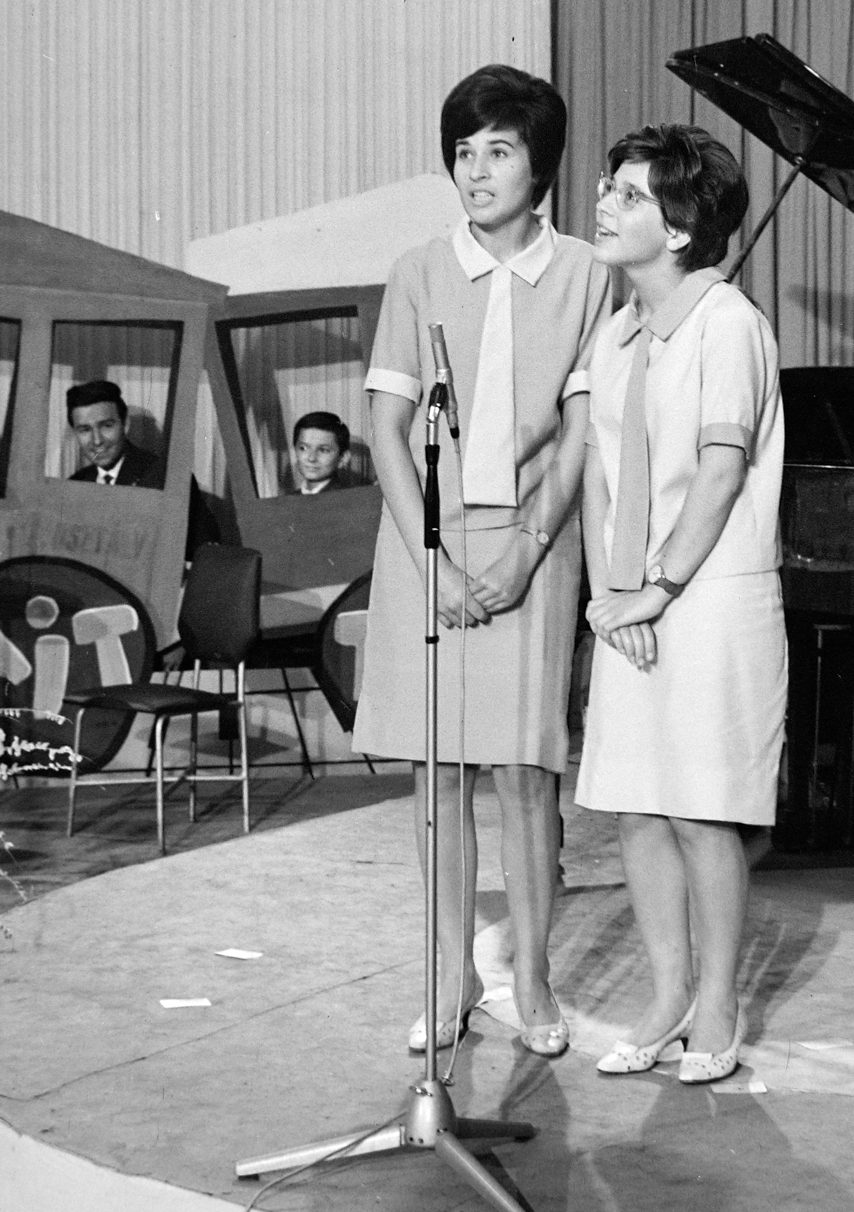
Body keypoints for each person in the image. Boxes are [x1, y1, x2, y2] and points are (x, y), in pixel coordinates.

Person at [351, 64, 612, 1058]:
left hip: (534, 547)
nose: (476, 170)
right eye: (463, 152)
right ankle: (451, 972)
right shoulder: (418, 269)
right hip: (426, 546)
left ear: (539, 165)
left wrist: (527, 553)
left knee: (525, 775)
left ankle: (532, 979)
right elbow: (385, 428)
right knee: (439, 776)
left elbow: (582, 433)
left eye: (498, 150)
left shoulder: (586, 274)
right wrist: (434, 564)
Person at [576, 124, 786, 1086]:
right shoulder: (617, 334)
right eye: (608, 188)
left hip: (707, 598)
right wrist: (610, 596)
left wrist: (656, 590)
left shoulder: (727, 323)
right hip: (633, 598)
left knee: (702, 812)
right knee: (636, 808)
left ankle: (718, 1005)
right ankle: (665, 997)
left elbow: (719, 471)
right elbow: (599, 477)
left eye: (628, 195)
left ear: (679, 228)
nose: (604, 204)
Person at [66, 380, 162, 486]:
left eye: (106, 426)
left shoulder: (159, 476)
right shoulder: (76, 482)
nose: (97, 441)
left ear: (125, 425)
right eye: (85, 430)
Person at [288, 411, 357, 494]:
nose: (311, 458)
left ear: (343, 458)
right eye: (303, 448)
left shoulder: (351, 498)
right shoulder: (288, 499)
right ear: (294, 451)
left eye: (323, 450)